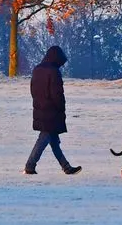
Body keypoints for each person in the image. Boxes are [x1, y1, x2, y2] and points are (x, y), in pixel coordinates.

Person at [24, 45, 82, 175]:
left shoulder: (37, 70)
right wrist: (61, 107)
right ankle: (29, 166)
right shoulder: (54, 72)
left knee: (53, 140)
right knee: (44, 138)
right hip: (51, 111)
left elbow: (33, 90)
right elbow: (57, 94)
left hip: (39, 107)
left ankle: (66, 167)